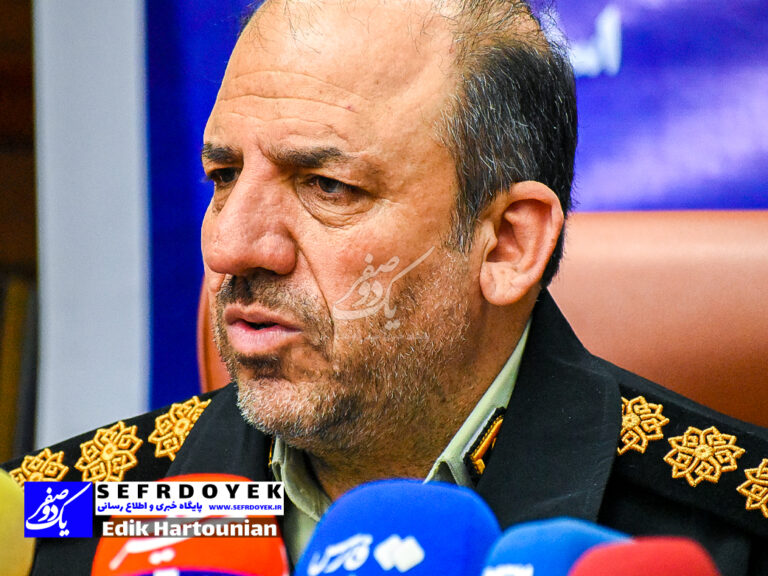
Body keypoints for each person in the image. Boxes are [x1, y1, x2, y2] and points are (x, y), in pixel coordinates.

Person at [5, 0, 768, 574]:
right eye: (224, 175)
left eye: (327, 186)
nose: (232, 245)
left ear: (507, 244)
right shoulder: (53, 521)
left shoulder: (730, 531)